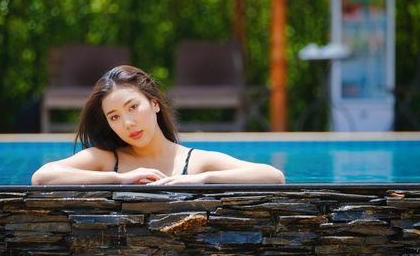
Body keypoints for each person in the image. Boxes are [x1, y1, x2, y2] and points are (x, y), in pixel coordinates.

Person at [32, 65, 285, 185]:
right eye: (115, 117)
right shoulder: (106, 160)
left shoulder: (195, 163)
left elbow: (274, 177)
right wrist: (119, 179)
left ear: (154, 104)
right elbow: (41, 178)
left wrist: (201, 180)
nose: (128, 123)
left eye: (133, 107)